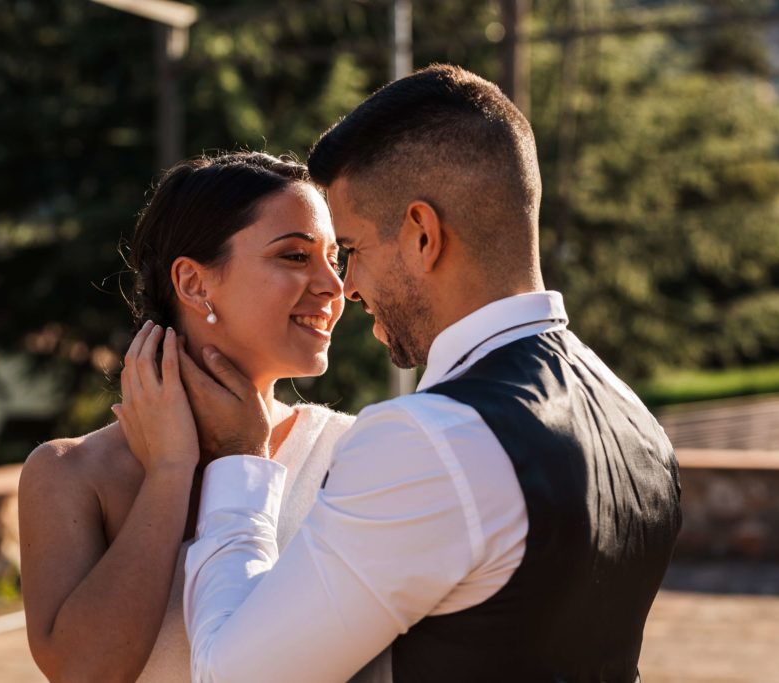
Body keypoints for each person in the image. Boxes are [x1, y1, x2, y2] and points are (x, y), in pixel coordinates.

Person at [122, 65, 683, 682]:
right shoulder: (634, 417)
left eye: (351, 250)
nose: (345, 288)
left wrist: (238, 459)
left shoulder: (432, 440)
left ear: (422, 235)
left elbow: (234, 676)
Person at [17, 151, 354, 683]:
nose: (335, 287)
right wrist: (170, 471)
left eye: (336, 258)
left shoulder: (350, 456)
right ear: (195, 284)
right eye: (295, 256)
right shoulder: (69, 474)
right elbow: (85, 673)